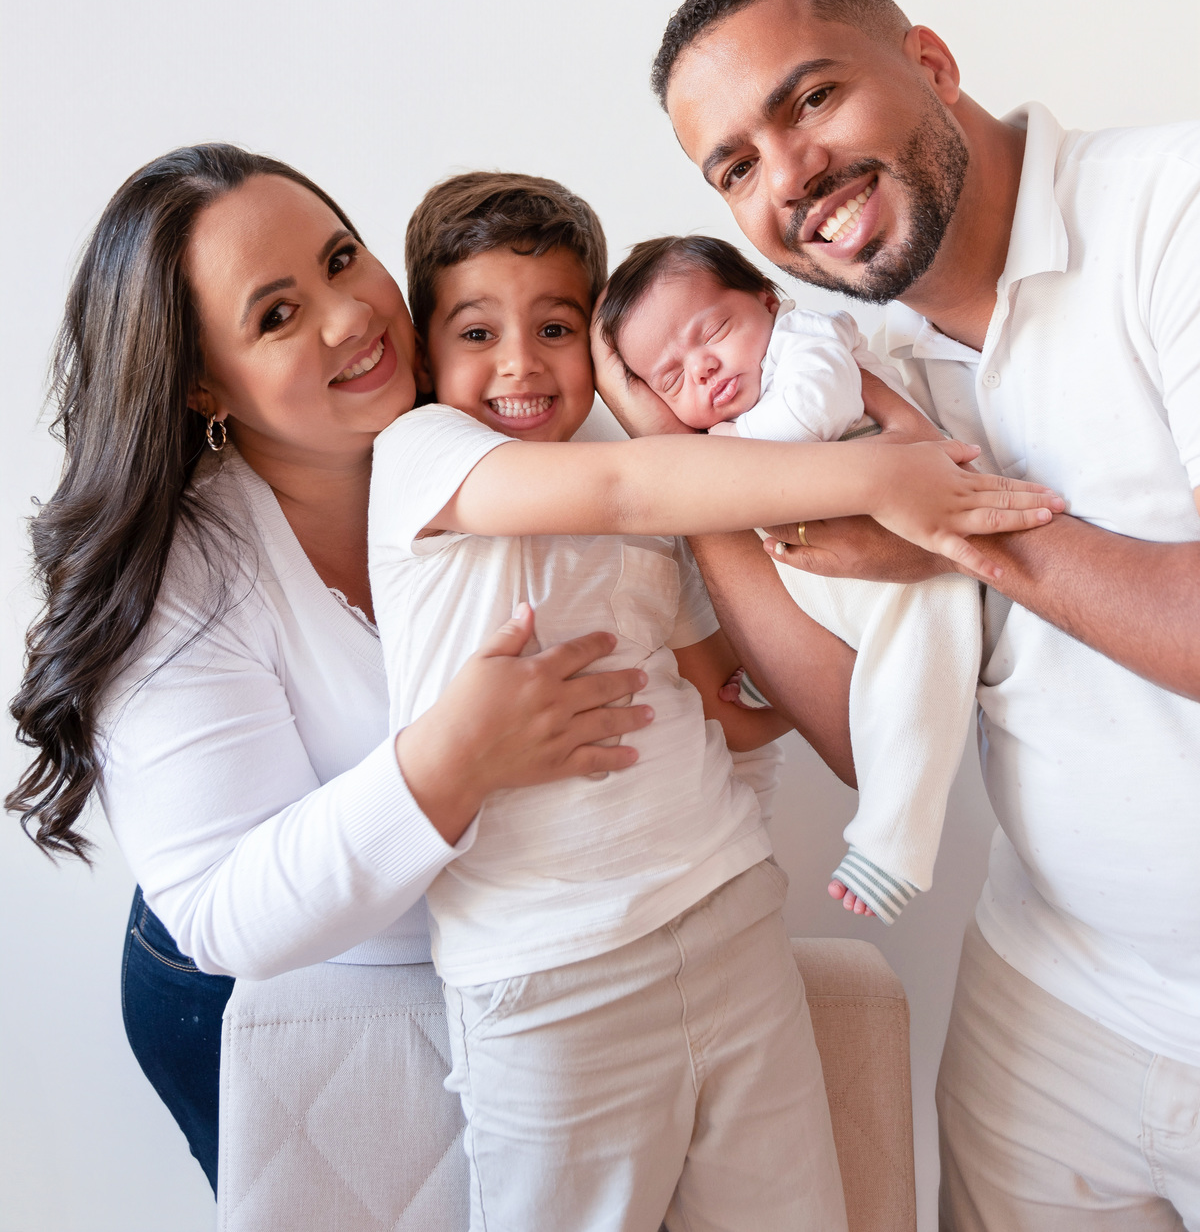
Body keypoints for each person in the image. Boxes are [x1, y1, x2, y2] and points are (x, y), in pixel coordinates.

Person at [368, 170, 1060, 1232]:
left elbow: (732, 707)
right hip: (549, 968)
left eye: (557, 328)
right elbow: (623, 488)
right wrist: (879, 478)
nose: (519, 362)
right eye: (475, 332)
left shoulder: (667, 486)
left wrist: (804, 659)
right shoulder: (424, 456)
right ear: (425, 353)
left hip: (727, 912)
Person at [635, 0, 1200, 1230]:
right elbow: (866, 734)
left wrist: (952, 530)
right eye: (735, 166)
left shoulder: (1173, 210)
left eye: (811, 98)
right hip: (1054, 995)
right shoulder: (848, 370)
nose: (790, 176)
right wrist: (692, 467)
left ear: (931, 63)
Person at [6, 144, 653, 1195]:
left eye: (342, 258)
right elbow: (217, 909)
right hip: (261, 995)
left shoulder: (495, 402)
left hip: (499, 962)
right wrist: (451, 762)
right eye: (277, 314)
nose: (351, 315)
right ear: (203, 383)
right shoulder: (188, 575)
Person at [597, 231, 984, 926]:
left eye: (713, 332)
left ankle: (898, 838)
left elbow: (813, 415)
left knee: (922, 645)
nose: (703, 369)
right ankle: (785, 670)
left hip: (925, 560)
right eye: (673, 379)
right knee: (806, 581)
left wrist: (715, 456)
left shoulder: (808, 341)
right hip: (842, 569)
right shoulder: (732, 415)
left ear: (768, 301)